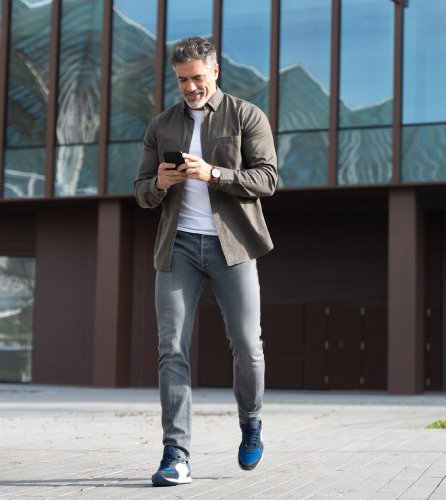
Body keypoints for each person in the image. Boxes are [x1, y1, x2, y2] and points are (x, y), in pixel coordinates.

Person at [134, 36, 277, 487]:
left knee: (247, 345)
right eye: (182, 80)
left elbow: (268, 179)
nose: (191, 87)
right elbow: (141, 193)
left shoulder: (247, 115)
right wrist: (158, 181)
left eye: (197, 77)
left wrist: (213, 173)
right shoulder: (162, 125)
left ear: (215, 71)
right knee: (171, 347)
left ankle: (251, 421)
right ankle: (175, 454)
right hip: (177, 247)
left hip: (232, 248)